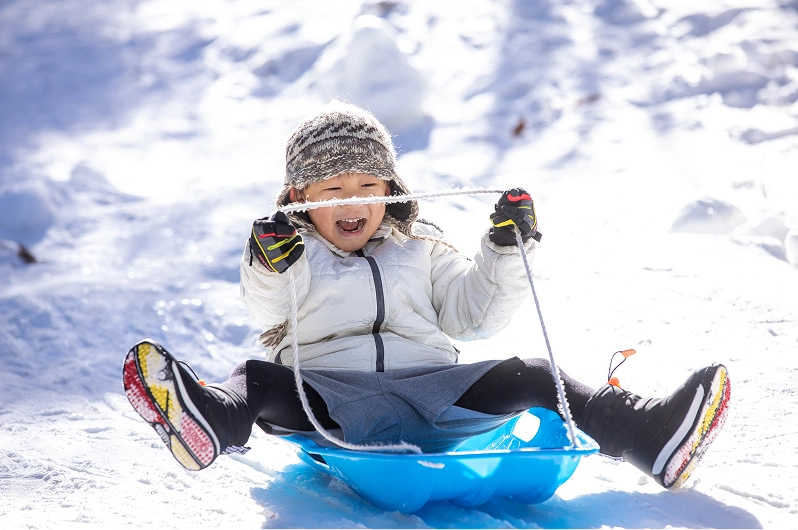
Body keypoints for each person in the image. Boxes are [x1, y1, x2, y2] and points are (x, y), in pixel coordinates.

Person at [123, 101, 730, 490]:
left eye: (367, 184)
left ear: (391, 187)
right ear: (298, 199)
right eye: (329, 189)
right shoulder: (294, 252)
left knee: (534, 372)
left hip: (436, 397)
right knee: (257, 376)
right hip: (332, 402)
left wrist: (503, 250)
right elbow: (268, 309)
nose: (351, 202)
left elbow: (474, 317)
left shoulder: (422, 247)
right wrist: (268, 262)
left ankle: (648, 435)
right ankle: (210, 418)